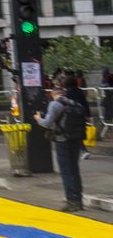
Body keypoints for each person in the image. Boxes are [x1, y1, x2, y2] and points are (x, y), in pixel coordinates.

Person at [35, 78, 88, 211]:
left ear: (53, 93)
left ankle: (71, 201)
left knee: (66, 171)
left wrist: (38, 119)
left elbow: (47, 123)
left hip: (62, 141)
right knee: (75, 170)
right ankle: (79, 200)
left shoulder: (55, 105)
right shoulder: (74, 103)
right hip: (75, 140)